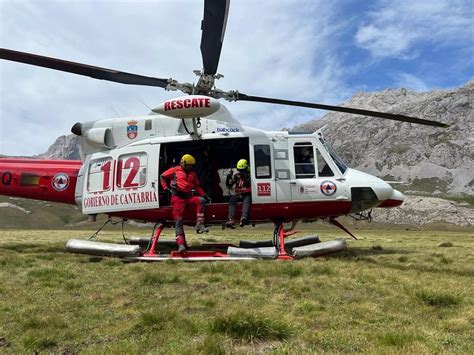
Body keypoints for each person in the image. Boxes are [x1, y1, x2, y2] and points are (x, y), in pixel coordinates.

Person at [160, 154, 211, 253]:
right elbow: (162, 176)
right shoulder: (174, 170)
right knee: (179, 221)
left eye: (191, 165)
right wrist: (166, 188)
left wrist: (204, 195)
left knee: (201, 200)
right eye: (189, 165)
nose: (190, 167)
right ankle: (181, 244)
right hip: (177, 198)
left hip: (188, 197)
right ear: (183, 163)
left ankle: (199, 224)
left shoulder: (193, 174)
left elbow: (197, 186)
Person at [225, 159, 252, 228]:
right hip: (238, 194)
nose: (240, 172)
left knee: (247, 200)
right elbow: (229, 185)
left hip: (247, 194)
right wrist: (228, 176)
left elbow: (247, 181)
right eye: (239, 170)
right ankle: (231, 219)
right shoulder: (236, 176)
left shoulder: (250, 175)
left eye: (241, 170)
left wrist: (243, 175)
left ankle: (243, 218)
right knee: (232, 199)